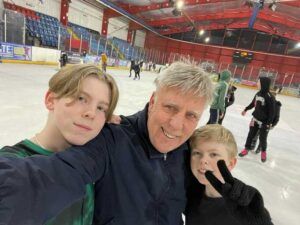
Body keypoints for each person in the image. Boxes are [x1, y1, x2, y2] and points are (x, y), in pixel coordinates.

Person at [0, 61, 214, 225]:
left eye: (191, 115)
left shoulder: (191, 151)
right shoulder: (112, 138)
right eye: (170, 107)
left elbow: (201, 207)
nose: (176, 125)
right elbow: (60, 173)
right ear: (152, 101)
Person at [0, 64, 119, 225]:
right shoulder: (14, 161)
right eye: (81, 98)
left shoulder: (92, 164)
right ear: (50, 100)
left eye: (101, 108)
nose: (91, 113)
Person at [185, 124, 273, 225]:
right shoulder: (190, 194)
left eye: (213, 154)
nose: (203, 160)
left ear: (230, 164)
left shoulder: (243, 208)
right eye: (197, 153)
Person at [239, 76, 275, 162]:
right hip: (255, 119)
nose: (257, 83)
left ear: (263, 84)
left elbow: (272, 112)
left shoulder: (270, 97)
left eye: (258, 82)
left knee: (263, 138)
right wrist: (246, 109)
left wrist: (268, 123)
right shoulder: (258, 94)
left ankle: (263, 152)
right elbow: (252, 103)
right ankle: (246, 149)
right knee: (250, 135)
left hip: (264, 122)